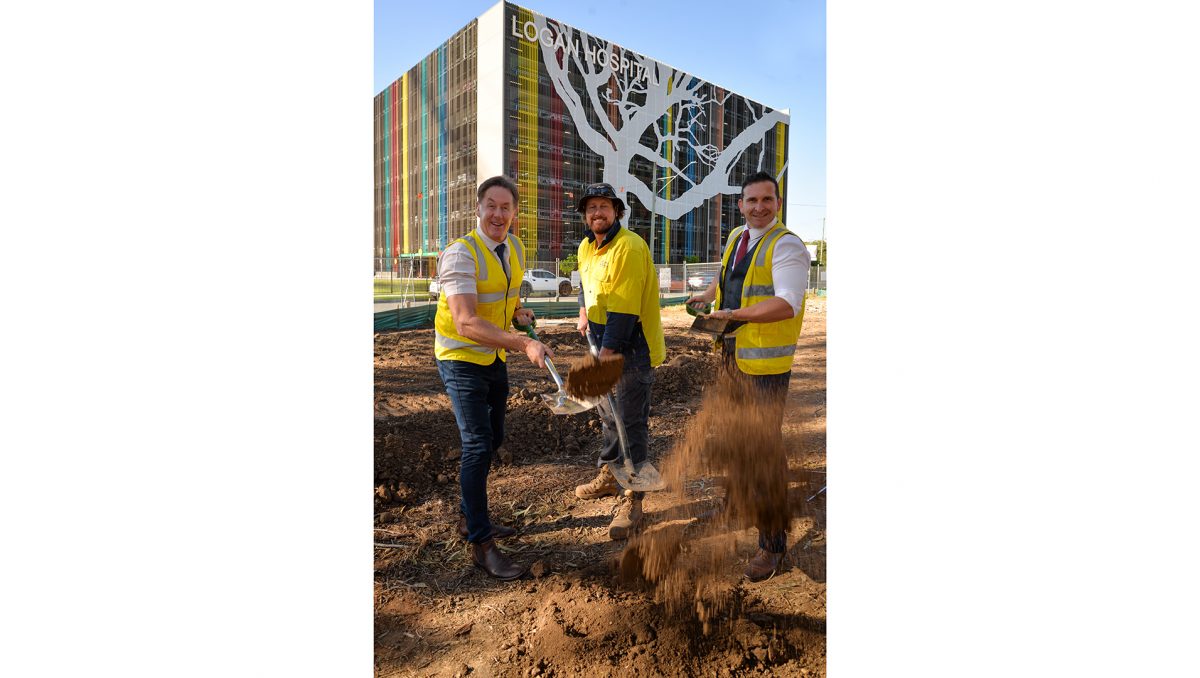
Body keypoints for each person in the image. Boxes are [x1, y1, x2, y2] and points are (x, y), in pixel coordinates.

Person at [685, 170, 810, 582]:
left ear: (778, 204)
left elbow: (786, 303)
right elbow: (728, 286)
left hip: (764, 369)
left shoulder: (787, 245)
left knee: (763, 453)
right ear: (740, 204)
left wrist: (733, 314)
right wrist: (705, 297)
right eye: (751, 200)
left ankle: (772, 543)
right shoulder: (739, 238)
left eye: (766, 200)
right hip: (733, 358)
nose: (759, 207)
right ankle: (738, 502)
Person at [434, 175, 553, 581]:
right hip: (461, 357)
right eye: (491, 206)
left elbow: (505, 293)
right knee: (477, 446)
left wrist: (518, 309)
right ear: (478, 209)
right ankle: (482, 545)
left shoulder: (514, 247)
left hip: (494, 355)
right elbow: (466, 321)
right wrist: (523, 344)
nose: (498, 214)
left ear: (514, 214)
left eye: (505, 208)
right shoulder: (460, 255)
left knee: (494, 438)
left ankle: (470, 519)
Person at [571, 183, 666, 540]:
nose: (597, 213)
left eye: (604, 207)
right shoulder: (586, 246)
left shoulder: (629, 247)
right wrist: (583, 312)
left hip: (631, 347)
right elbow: (585, 284)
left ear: (617, 213)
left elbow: (624, 314)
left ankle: (633, 499)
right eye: (591, 207)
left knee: (630, 423)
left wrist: (602, 360)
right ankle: (611, 476)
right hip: (603, 343)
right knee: (608, 415)